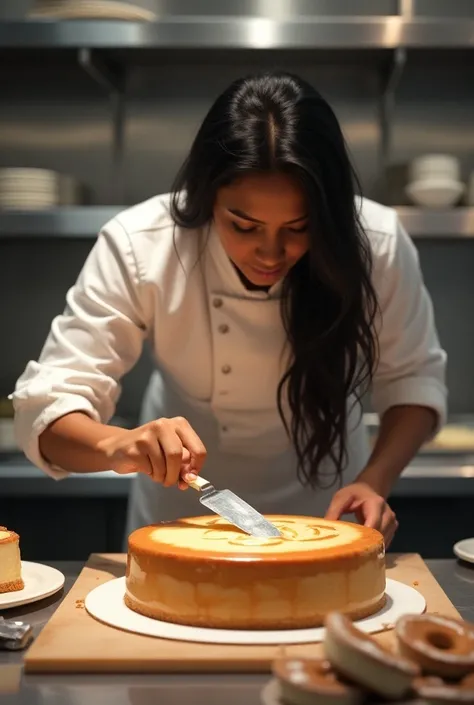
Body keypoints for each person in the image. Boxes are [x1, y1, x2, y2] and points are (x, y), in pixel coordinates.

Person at [12, 72, 447, 548]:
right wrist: (118, 446)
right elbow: (48, 407)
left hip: (329, 516)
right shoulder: (142, 244)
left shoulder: (375, 243)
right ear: (206, 197)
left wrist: (375, 481)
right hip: (181, 519)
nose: (270, 253)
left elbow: (414, 381)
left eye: (299, 228)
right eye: (243, 225)